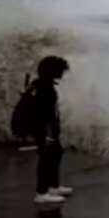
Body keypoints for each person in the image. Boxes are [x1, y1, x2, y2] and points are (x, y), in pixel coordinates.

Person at [32, 55, 72, 204]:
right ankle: (41, 193)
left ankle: (53, 186)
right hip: (44, 130)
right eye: (61, 70)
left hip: (48, 130)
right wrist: (48, 134)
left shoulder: (42, 84)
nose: (63, 73)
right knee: (46, 158)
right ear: (53, 71)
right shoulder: (45, 88)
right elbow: (44, 114)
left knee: (56, 153)